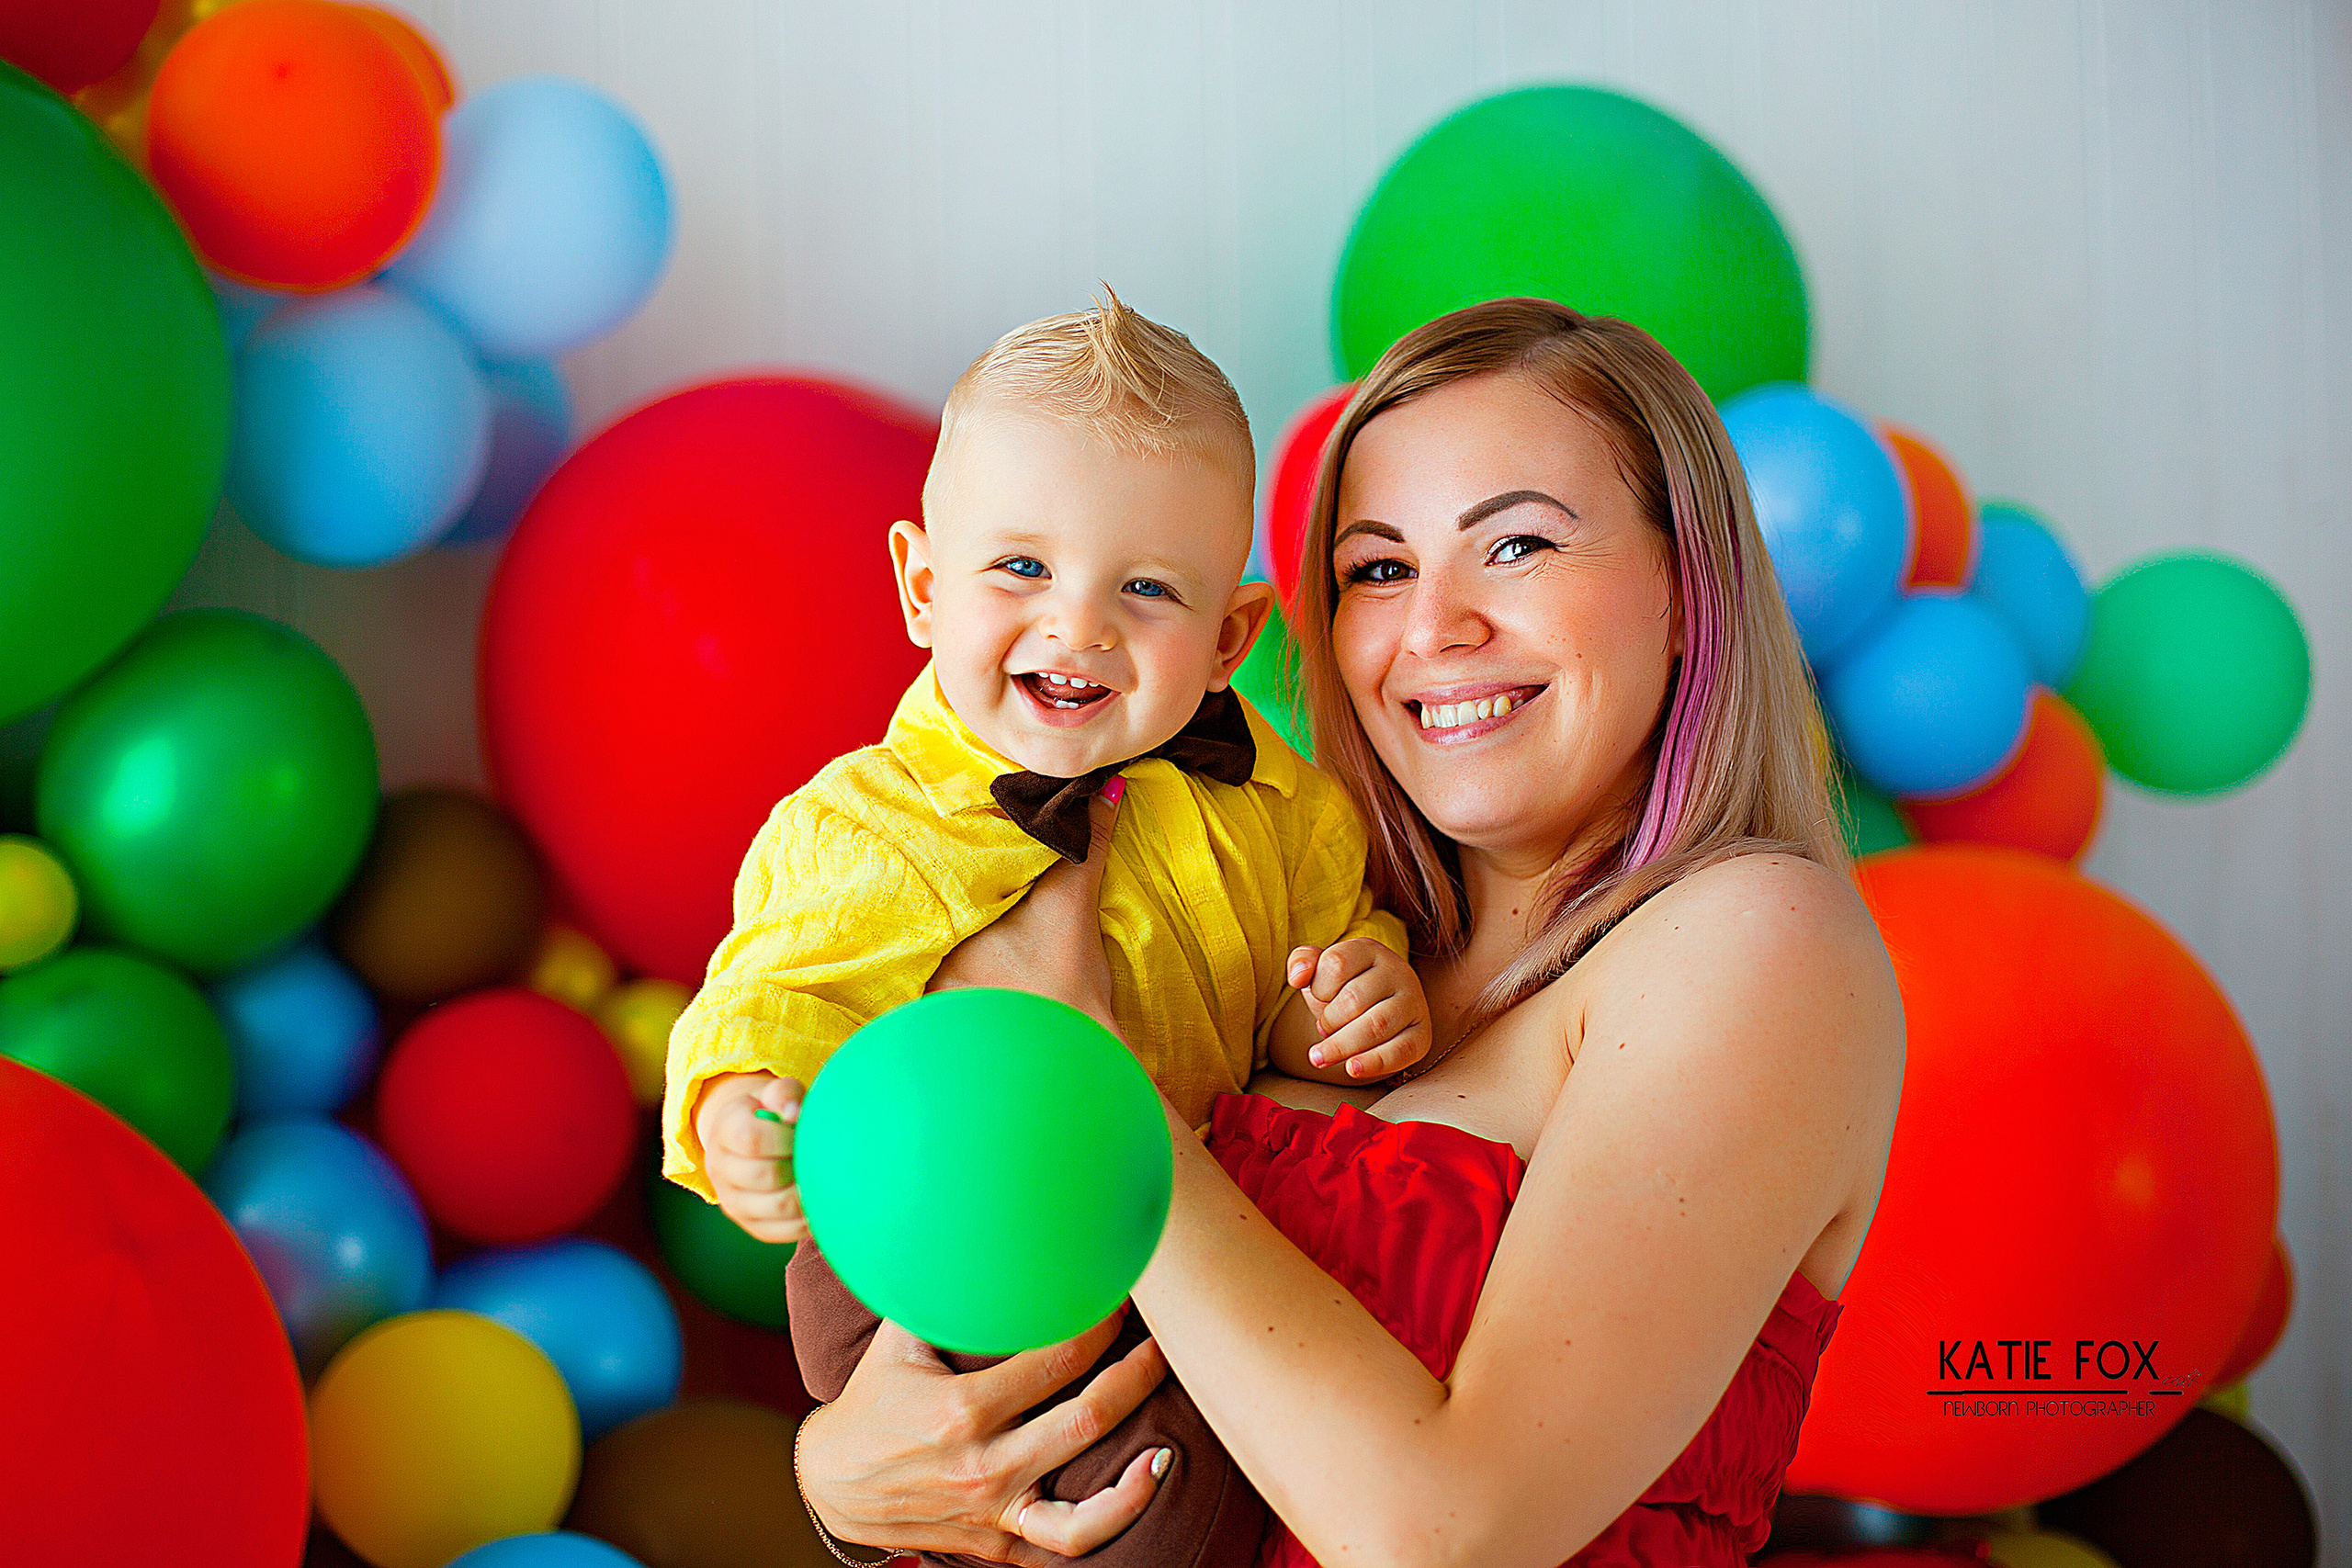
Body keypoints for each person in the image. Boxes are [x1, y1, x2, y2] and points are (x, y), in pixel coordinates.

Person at [789, 298, 1906, 1568]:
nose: (1433, 629)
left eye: (1520, 546)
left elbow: (1449, 1536)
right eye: (1378, 569)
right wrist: (849, 1478)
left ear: (1685, 590)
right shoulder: (1299, 943)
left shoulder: (1756, 943)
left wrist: (1088, 1086)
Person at [661, 291, 1437, 1567]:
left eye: (1145, 588)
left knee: (1230, 1485)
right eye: (1021, 568)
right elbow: (773, 990)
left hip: (1174, 1247)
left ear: (1232, 636)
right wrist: (744, 1105)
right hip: (933, 1256)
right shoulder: (869, 825)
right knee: (1132, 1520)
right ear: (921, 585)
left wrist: (1353, 993)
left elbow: (1313, 961)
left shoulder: (1281, 805)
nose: (1079, 627)